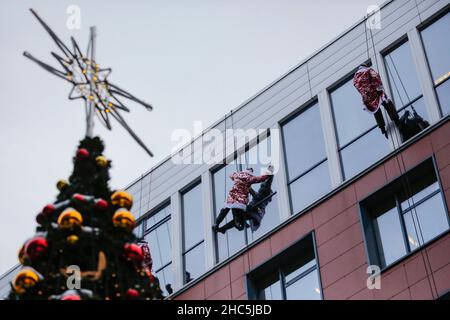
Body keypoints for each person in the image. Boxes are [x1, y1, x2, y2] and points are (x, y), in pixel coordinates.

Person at [213, 167, 268, 233]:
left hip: (232, 196)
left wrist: (236, 177)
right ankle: (238, 223)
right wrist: (268, 173)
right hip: (240, 199)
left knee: (224, 211)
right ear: (250, 173)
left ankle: (217, 223)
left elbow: (231, 175)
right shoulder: (250, 178)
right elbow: (260, 178)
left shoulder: (237, 175)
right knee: (238, 213)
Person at [353, 64, 400, 138]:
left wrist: (365, 94)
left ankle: (382, 128)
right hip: (376, 92)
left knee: (376, 111)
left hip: (368, 98)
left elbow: (358, 88)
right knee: (387, 103)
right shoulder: (368, 70)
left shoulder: (355, 78)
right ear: (365, 66)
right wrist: (379, 86)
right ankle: (396, 120)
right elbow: (376, 77)